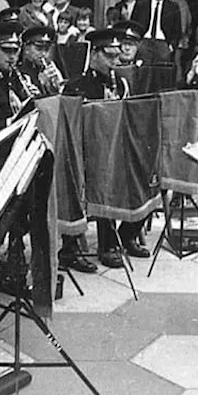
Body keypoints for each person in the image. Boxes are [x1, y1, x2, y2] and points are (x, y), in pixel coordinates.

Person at [61, 28, 148, 267]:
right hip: (87, 154)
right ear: (95, 54)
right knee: (98, 175)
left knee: (149, 175)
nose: (114, 62)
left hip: (115, 150)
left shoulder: (120, 83)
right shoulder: (76, 86)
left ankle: (126, 235)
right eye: (109, 56)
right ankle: (80, 246)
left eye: (116, 56)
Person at [130, 0, 181, 65]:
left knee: (162, 74)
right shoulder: (141, 5)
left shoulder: (173, 7)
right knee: (143, 72)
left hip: (163, 44)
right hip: (144, 42)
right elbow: (133, 25)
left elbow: (177, 29)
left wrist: (171, 46)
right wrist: (137, 43)